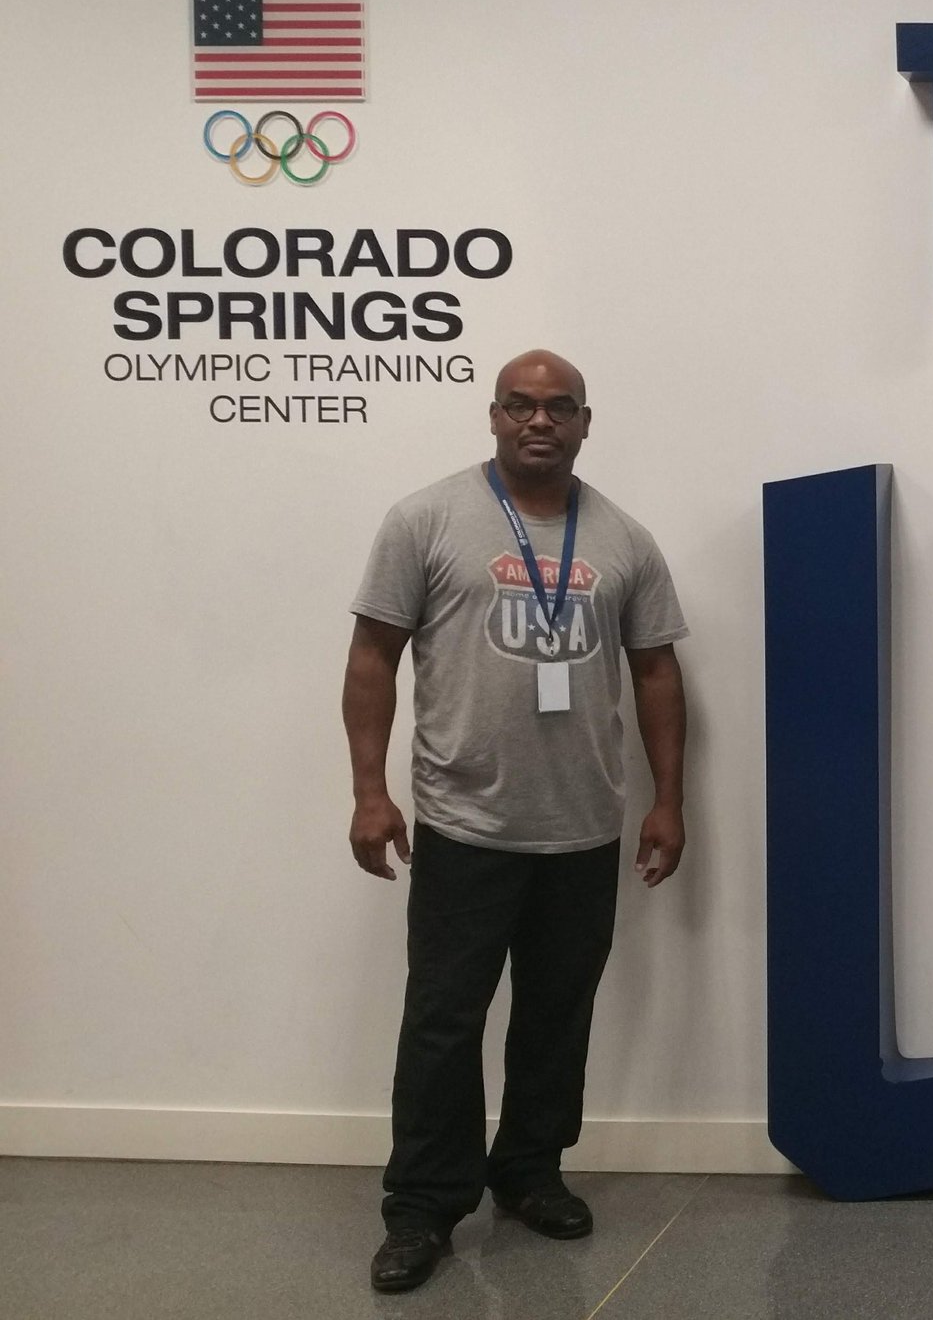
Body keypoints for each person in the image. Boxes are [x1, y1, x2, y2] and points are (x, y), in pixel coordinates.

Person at [342, 349, 689, 1294]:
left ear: (586, 422)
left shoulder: (623, 538)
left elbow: (657, 670)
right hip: (464, 822)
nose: (540, 421)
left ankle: (530, 1172)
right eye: (520, 406)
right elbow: (374, 653)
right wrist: (371, 791)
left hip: (583, 827)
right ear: (493, 417)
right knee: (444, 1022)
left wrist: (669, 800)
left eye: (559, 408)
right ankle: (421, 1206)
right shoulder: (426, 518)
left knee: (555, 1014)